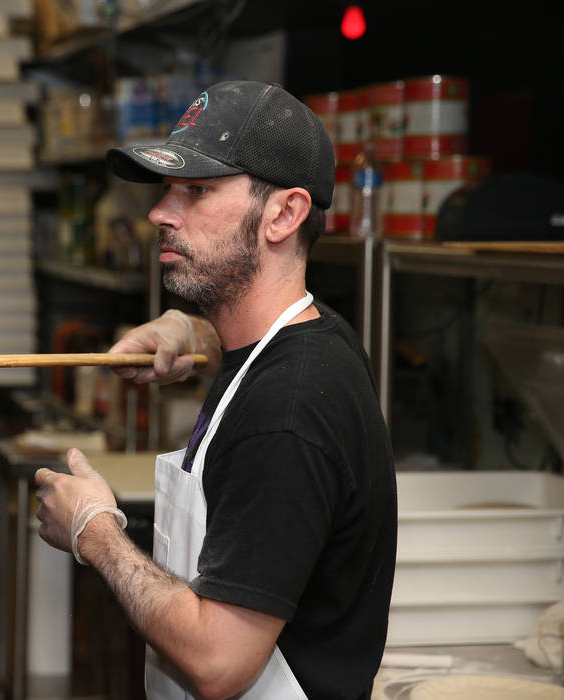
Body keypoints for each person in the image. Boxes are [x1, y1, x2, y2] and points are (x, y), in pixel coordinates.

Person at [34, 80, 397, 700]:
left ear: (284, 214)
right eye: (169, 189)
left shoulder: (289, 412)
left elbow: (218, 661)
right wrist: (194, 334)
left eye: (197, 191)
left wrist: (94, 532)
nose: (159, 214)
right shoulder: (310, 340)